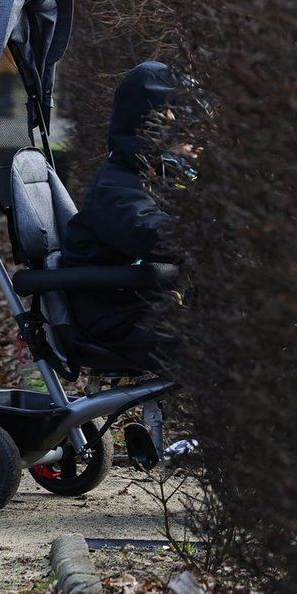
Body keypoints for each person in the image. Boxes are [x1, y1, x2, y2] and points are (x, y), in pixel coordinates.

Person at [60, 61, 197, 368]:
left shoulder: (161, 178)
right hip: (118, 319)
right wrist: (209, 228)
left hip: (149, 306)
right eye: (187, 133)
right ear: (155, 131)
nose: (197, 145)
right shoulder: (117, 188)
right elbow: (153, 236)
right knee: (229, 345)